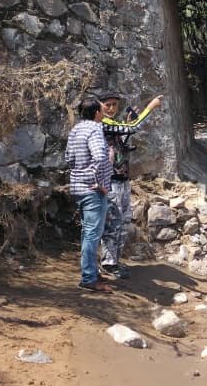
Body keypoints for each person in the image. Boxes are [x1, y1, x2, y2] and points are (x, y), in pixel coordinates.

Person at [97, 91, 164, 280]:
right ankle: (108, 263)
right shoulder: (104, 123)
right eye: (107, 105)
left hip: (121, 178)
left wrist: (127, 123)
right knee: (113, 222)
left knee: (123, 220)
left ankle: (113, 260)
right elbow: (133, 128)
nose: (111, 108)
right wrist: (150, 108)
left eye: (114, 104)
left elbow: (123, 139)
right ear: (99, 106)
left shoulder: (113, 124)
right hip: (111, 180)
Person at [64, 98, 113, 292]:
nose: (105, 112)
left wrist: (80, 174)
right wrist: (100, 183)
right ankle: (89, 278)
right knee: (92, 234)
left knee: (87, 233)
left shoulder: (75, 130)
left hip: (78, 187)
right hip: (93, 190)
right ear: (96, 113)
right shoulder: (95, 129)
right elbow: (100, 157)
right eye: (102, 109)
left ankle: (91, 272)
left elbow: (68, 158)